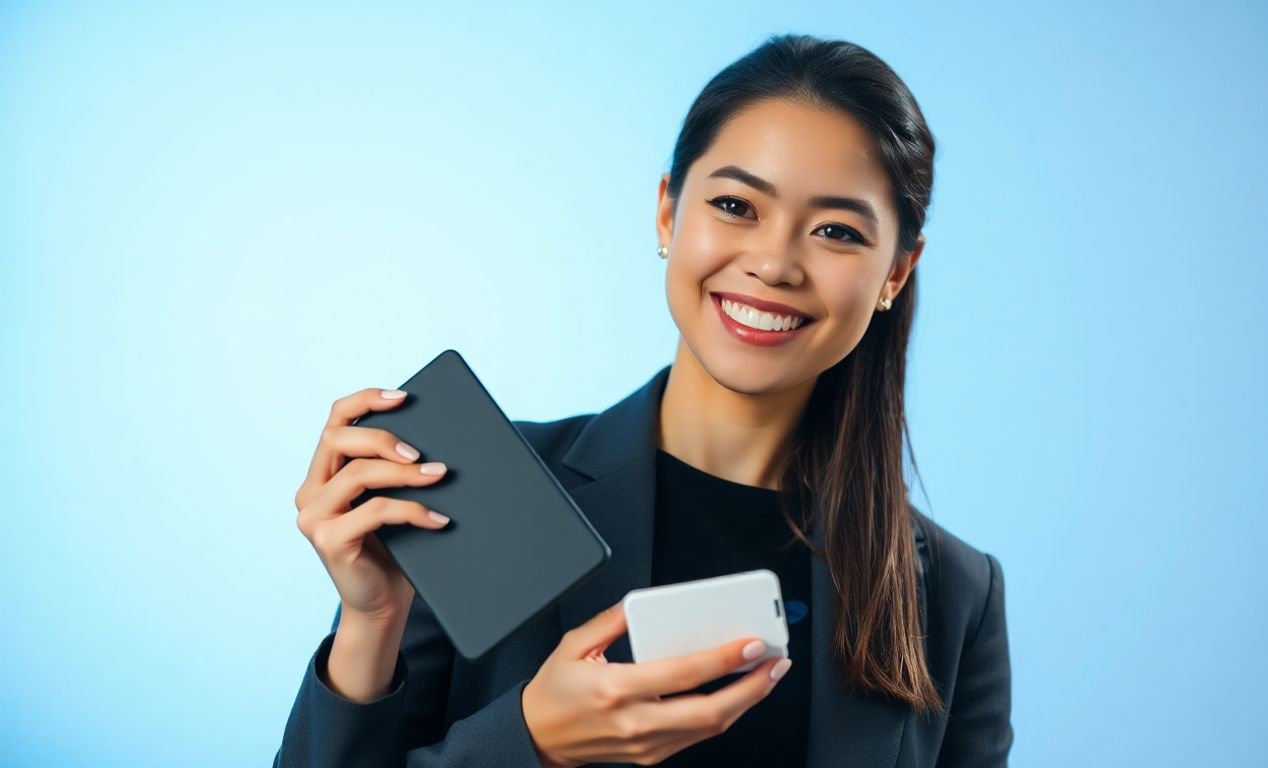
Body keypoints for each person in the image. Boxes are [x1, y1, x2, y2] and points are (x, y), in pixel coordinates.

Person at [274, 32, 1012, 768]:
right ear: (668, 213)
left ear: (896, 272)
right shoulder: (480, 486)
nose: (773, 263)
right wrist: (388, 637)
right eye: (735, 204)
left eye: (835, 231)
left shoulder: (952, 596)